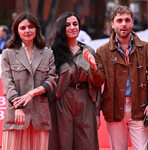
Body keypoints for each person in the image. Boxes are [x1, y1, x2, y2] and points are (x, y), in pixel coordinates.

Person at [83, 5, 148, 150]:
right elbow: (97, 81)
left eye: (127, 20)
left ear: (132, 22)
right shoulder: (102, 51)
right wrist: (93, 68)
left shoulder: (146, 48)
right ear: (112, 24)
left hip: (139, 107)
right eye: (119, 20)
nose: (124, 24)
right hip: (114, 108)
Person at [1, 12, 57, 150]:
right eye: (23, 28)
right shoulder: (7, 54)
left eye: (31, 27)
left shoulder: (47, 53)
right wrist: (18, 107)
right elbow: (8, 83)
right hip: (16, 114)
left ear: (37, 29)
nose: (27, 30)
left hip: (40, 114)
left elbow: (52, 80)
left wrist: (31, 94)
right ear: (17, 31)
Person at [48, 12, 101, 150]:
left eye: (75, 24)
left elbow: (96, 85)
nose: (72, 27)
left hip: (85, 99)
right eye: (67, 25)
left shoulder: (89, 51)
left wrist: (96, 113)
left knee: (87, 142)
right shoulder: (53, 52)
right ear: (61, 28)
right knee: (63, 142)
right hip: (62, 99)